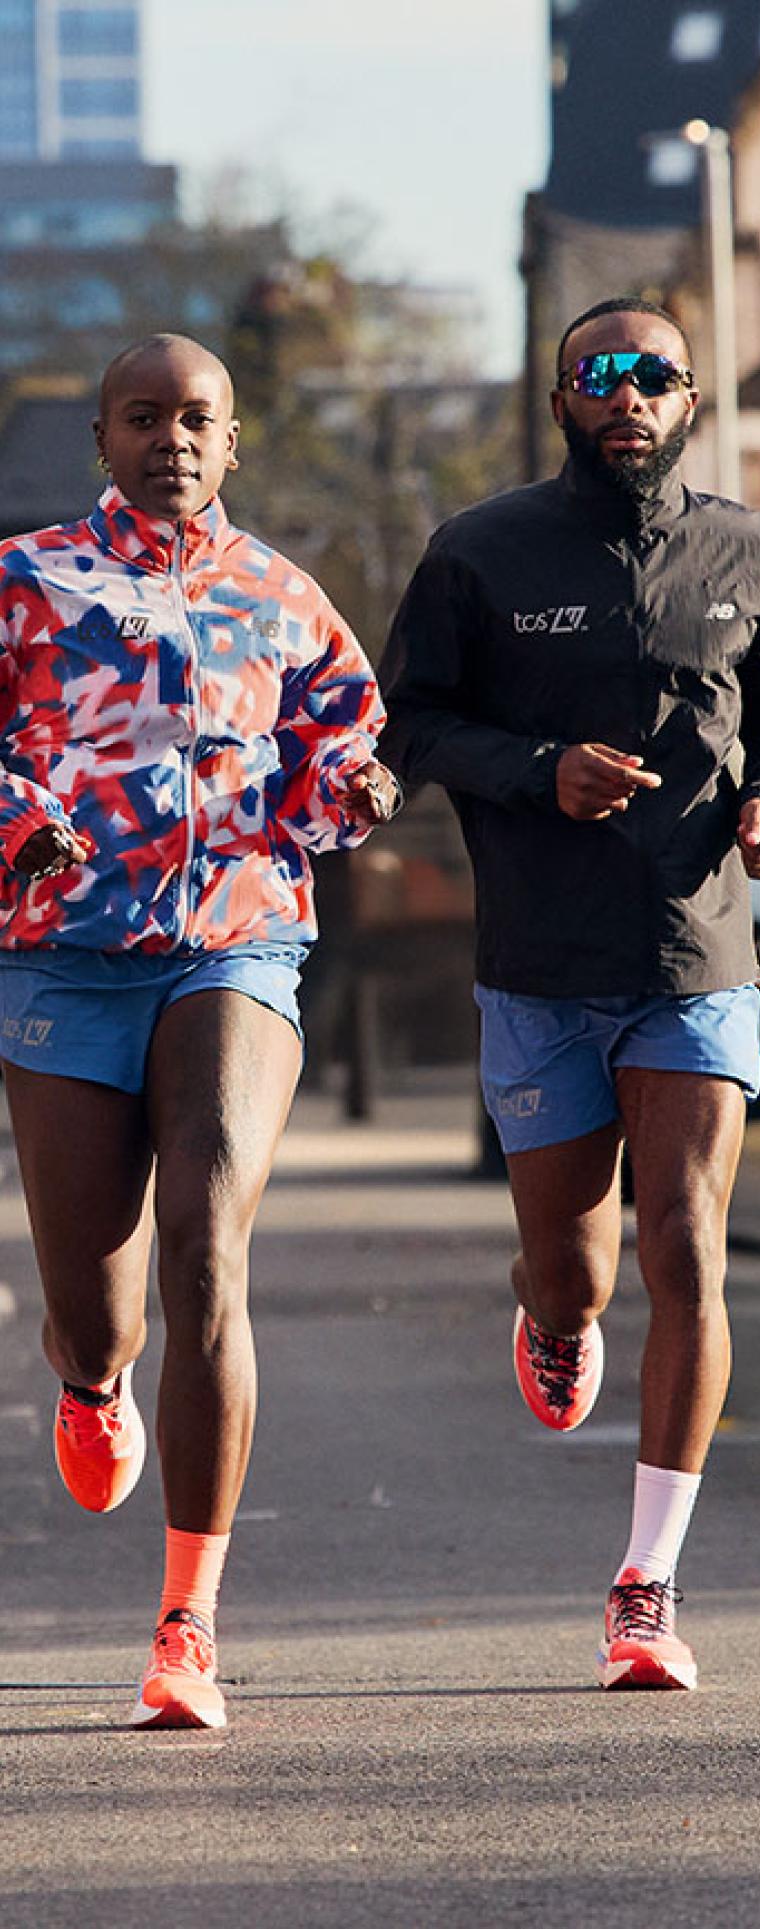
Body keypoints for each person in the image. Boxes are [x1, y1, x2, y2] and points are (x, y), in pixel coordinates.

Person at [0, 331, 398, 1730]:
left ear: (233, 443)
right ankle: (89, 1378)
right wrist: (21, 824)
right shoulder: (26, 580)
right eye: (144, 416)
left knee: (205, 1246)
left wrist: (351, 786)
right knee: (93, 1301)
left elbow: (345, 732)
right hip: (63, 957)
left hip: (235, 940)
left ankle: (187, 1623)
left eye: (198, 419)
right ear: (102, 438)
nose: (173, 438)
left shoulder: (281, 595)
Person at [378, 296, 760, 1692]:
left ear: (689, 400)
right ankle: (549, 1317)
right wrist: (536, 766)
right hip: (540, 963)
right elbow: (408, 721)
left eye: (655, 377)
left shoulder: (746, 552)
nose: (628, 398)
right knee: (580, 1264)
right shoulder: (480, 553)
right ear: (558, 400)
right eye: (600, 376)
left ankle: (645, 1583)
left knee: (684, 1240)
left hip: (693, 954)